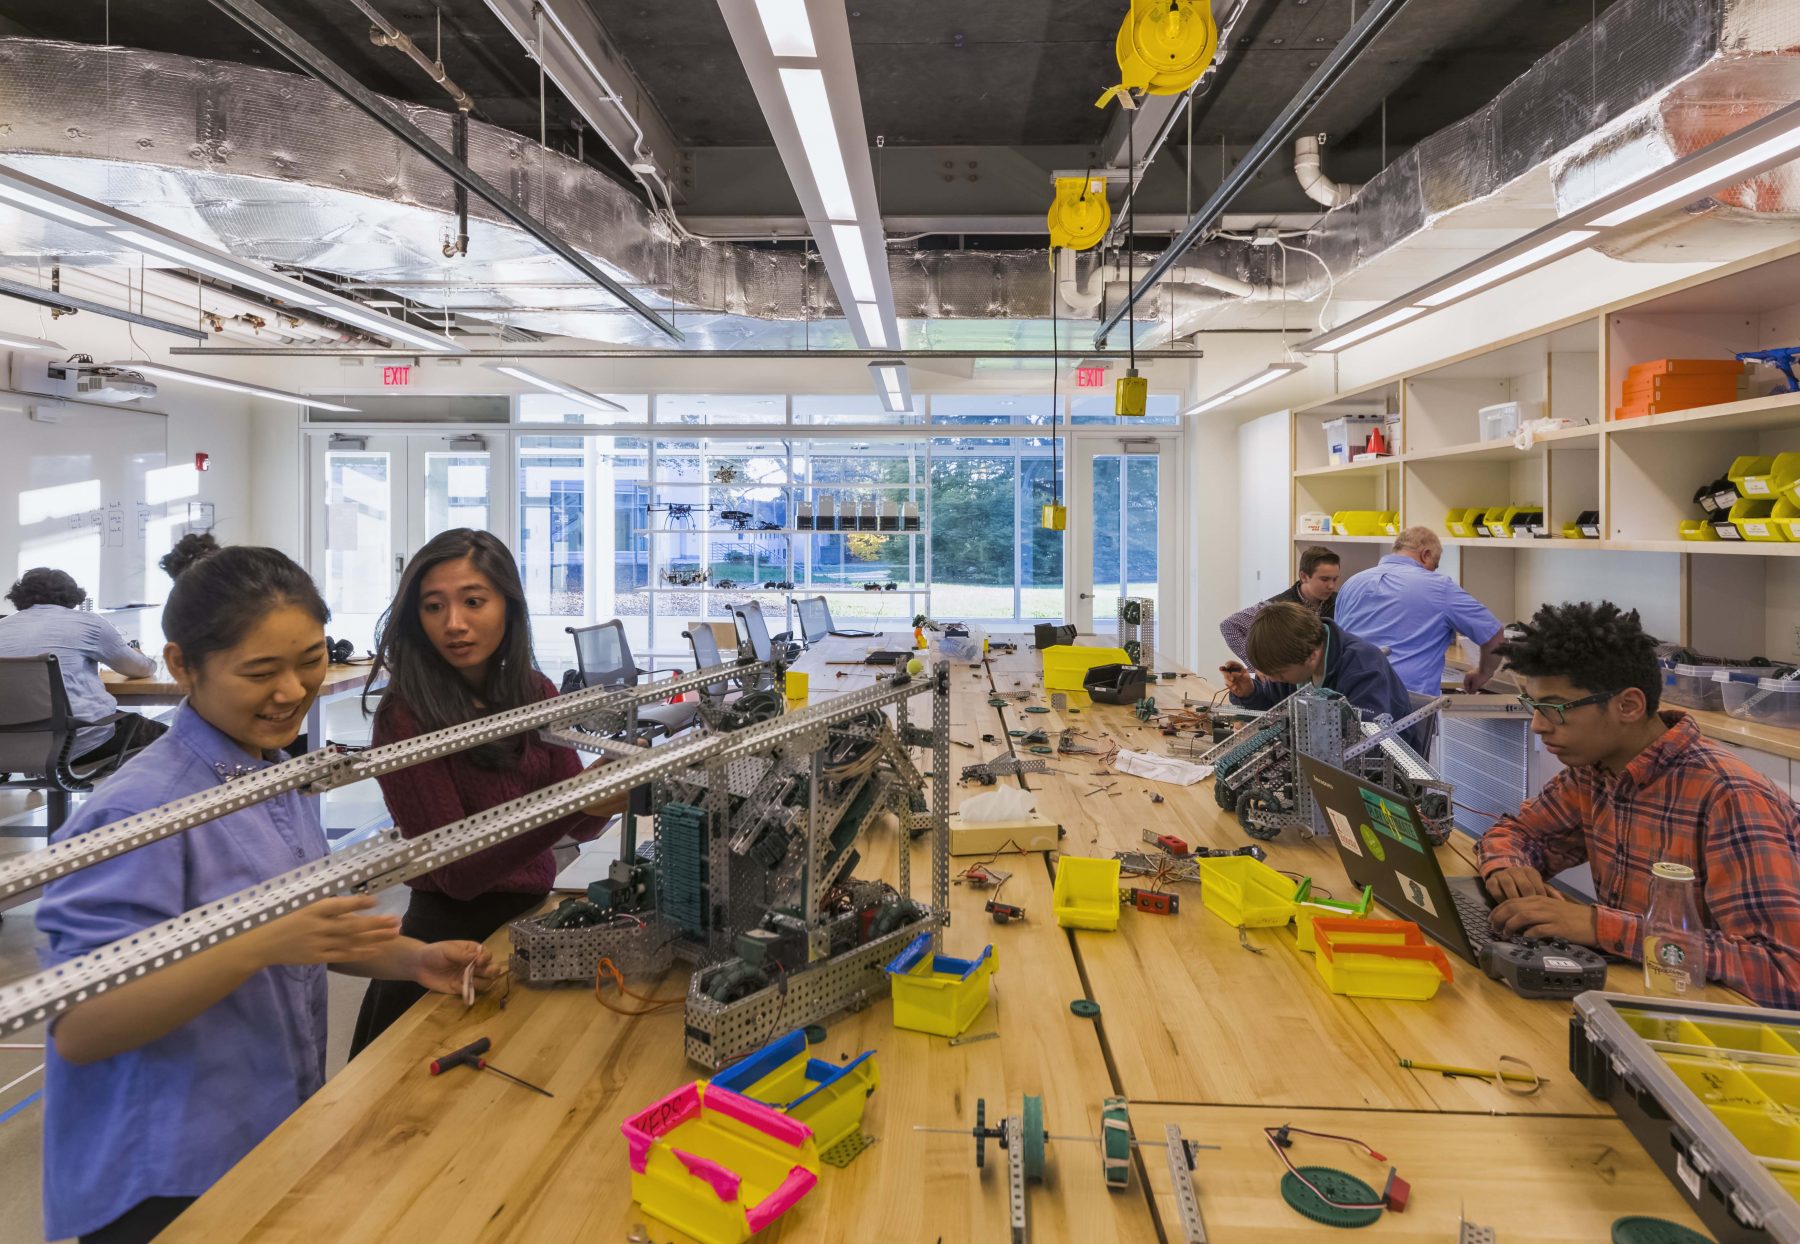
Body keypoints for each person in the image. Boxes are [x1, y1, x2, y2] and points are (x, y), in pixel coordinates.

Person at [36, 546, 495, 1244]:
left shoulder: (270, 772)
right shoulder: (143, 810)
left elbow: (304, 933)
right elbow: (83, 1025)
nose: (293, 690)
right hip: (164, 1174)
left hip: (264, 1129)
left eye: (309, 659)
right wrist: (257, 944)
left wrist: (411, 960)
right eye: (260, 672)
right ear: (184, 666)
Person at [349, 529, 624, 1055]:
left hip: (525, 924)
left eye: (474, 601)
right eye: (434, 607)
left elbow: (582, 823)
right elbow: (459, 874)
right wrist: (575, 801)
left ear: (508, 606)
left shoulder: (533, 691)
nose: (454, 624)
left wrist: (605, 789)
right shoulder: (405, 717)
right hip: (444, 943)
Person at [1478, 601, 1800, 1009]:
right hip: (1636, 1000)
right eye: (1533, 705)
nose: (1539, 724)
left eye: (1555, 708)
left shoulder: (1730, 798)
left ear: (1628, 706)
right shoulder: (1594, 770)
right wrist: (1507, 866)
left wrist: (1600, 927)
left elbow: (1784, 972)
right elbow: (1518, 832)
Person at [0, 567, 165, 764]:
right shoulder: (89, 623)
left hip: (11, 748)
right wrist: (139, 655)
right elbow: (141, 669)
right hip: (80, 742)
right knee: (175, 741)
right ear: (72, 595)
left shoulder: (3, 627)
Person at [1216, 601, 1425, 751]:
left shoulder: (1362, 667)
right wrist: (1250, 691)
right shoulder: (1299, 659)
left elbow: (1367, 743)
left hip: (1379, 779)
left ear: (1312, 656)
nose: (1272, 679)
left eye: (1278, 673)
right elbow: (1274, 704)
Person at [1332, 526, 1505, 697]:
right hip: (1406, 704)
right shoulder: (1438, 586)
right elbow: (1494, 634)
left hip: (1348, 694)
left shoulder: (1351, 583)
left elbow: (1339, 640)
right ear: (1426, 554)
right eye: (1434, 565)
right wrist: (1483, 673)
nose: (1433, 571)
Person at [1219, 545, 1341, 661]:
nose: (1331, 586)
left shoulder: (1340, 601)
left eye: (1335, 579)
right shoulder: (1278, 606)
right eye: (1324, 579)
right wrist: (1256, 664)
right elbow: (1230, 626)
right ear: (1304, 576)